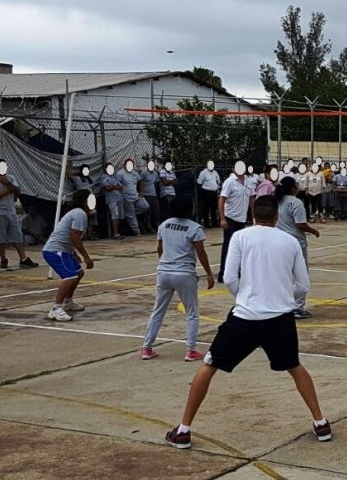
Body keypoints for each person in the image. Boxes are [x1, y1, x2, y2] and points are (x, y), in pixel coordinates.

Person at [164, 195, 331, 450]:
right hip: (280, 319)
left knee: (209, 365)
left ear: (253, 215)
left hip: (245, 317)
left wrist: (246, 295)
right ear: (276, 217)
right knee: (294, 366)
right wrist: (280, 296)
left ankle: (184, 429)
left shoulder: (240, 237)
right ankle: (321, 423)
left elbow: (230, 277)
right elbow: (303, 285)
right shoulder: (290, 241)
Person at [141, 197, 214, 361]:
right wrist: (209, 273)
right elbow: (201, 253)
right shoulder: (195, 228)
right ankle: (191, 349)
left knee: (158, 310)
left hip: (164, 271)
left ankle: (147, 347)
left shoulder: (164, 225)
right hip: (184, 273)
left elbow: (159, 249)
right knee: (192, 312)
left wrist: (164, 263)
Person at [41, 189, 96, 322]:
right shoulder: (79, 214)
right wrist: (86, 256)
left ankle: (68, 301)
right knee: (70, 277)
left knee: (79, 273)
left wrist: (74, 254)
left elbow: (70, 237)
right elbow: (74, 236)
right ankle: (56, 309)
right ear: (85, 201)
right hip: (55, 250)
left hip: (64, 250)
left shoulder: (78, 213)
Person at [275, 177, 320, 319]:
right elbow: (300, 223)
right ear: (293, 188)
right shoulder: (296, 202)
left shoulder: (276, 201)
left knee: (285, 275)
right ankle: (297, 307)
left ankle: (283, 303)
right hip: (296, 243)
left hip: (279, 241)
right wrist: (313, 230)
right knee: (301, 276)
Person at [0, 159, 39, 270]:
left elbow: (18, 191)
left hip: (11, 211)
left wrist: (8, 183)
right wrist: (8, 190)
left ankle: (23, 259)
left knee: (17, 236)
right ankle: (3, 259)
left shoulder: (11, 178)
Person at [218, 161, 253, 283]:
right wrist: (222, 218)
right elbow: (222, 200)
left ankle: (237, 272)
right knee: (228, 245)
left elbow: (252, 198)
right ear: (233, 169)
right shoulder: (230, 182)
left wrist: (254, 214)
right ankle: (223, 273)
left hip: (242, 218)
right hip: (230, 218)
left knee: (240, 246)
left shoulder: (248, 181)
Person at [118, 158, 149, 236]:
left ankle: (129, 214)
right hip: (126, 197)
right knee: (131, 214)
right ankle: (137, 231)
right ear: (125, 165)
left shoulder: (135, 173)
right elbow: (117, 184)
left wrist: (142, 191)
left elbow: (140, 181)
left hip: (135, 195)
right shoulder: (120, 173)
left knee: (145, 206)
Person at [101, 163, 125, 240]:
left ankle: (118, 232)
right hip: (111, 199)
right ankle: (115, 233)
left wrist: (113, 186)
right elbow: (108, 188)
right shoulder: (103, 177)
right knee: (115, 215)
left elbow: (121, 187)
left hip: (119, 198)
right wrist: (115, 186)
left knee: (119, 215)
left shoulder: (114, 177)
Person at [197, 161, 222, 228]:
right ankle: (206, 224)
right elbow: (199, 183)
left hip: (214, 192)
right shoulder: (203, 173)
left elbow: (218, 181)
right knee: (206, 208)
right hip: (206, 192)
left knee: (214, 208)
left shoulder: (215, 172)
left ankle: (214, 223)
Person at [140, 160, 161, 232]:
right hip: (146, 194)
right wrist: (142, 191)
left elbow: (156, 182)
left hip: (154, 194)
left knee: (156, 210)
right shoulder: (144, 173)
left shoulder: (155, 173)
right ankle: (148, 226)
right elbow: (140, 182)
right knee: (148, 211)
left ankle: (158, 225)